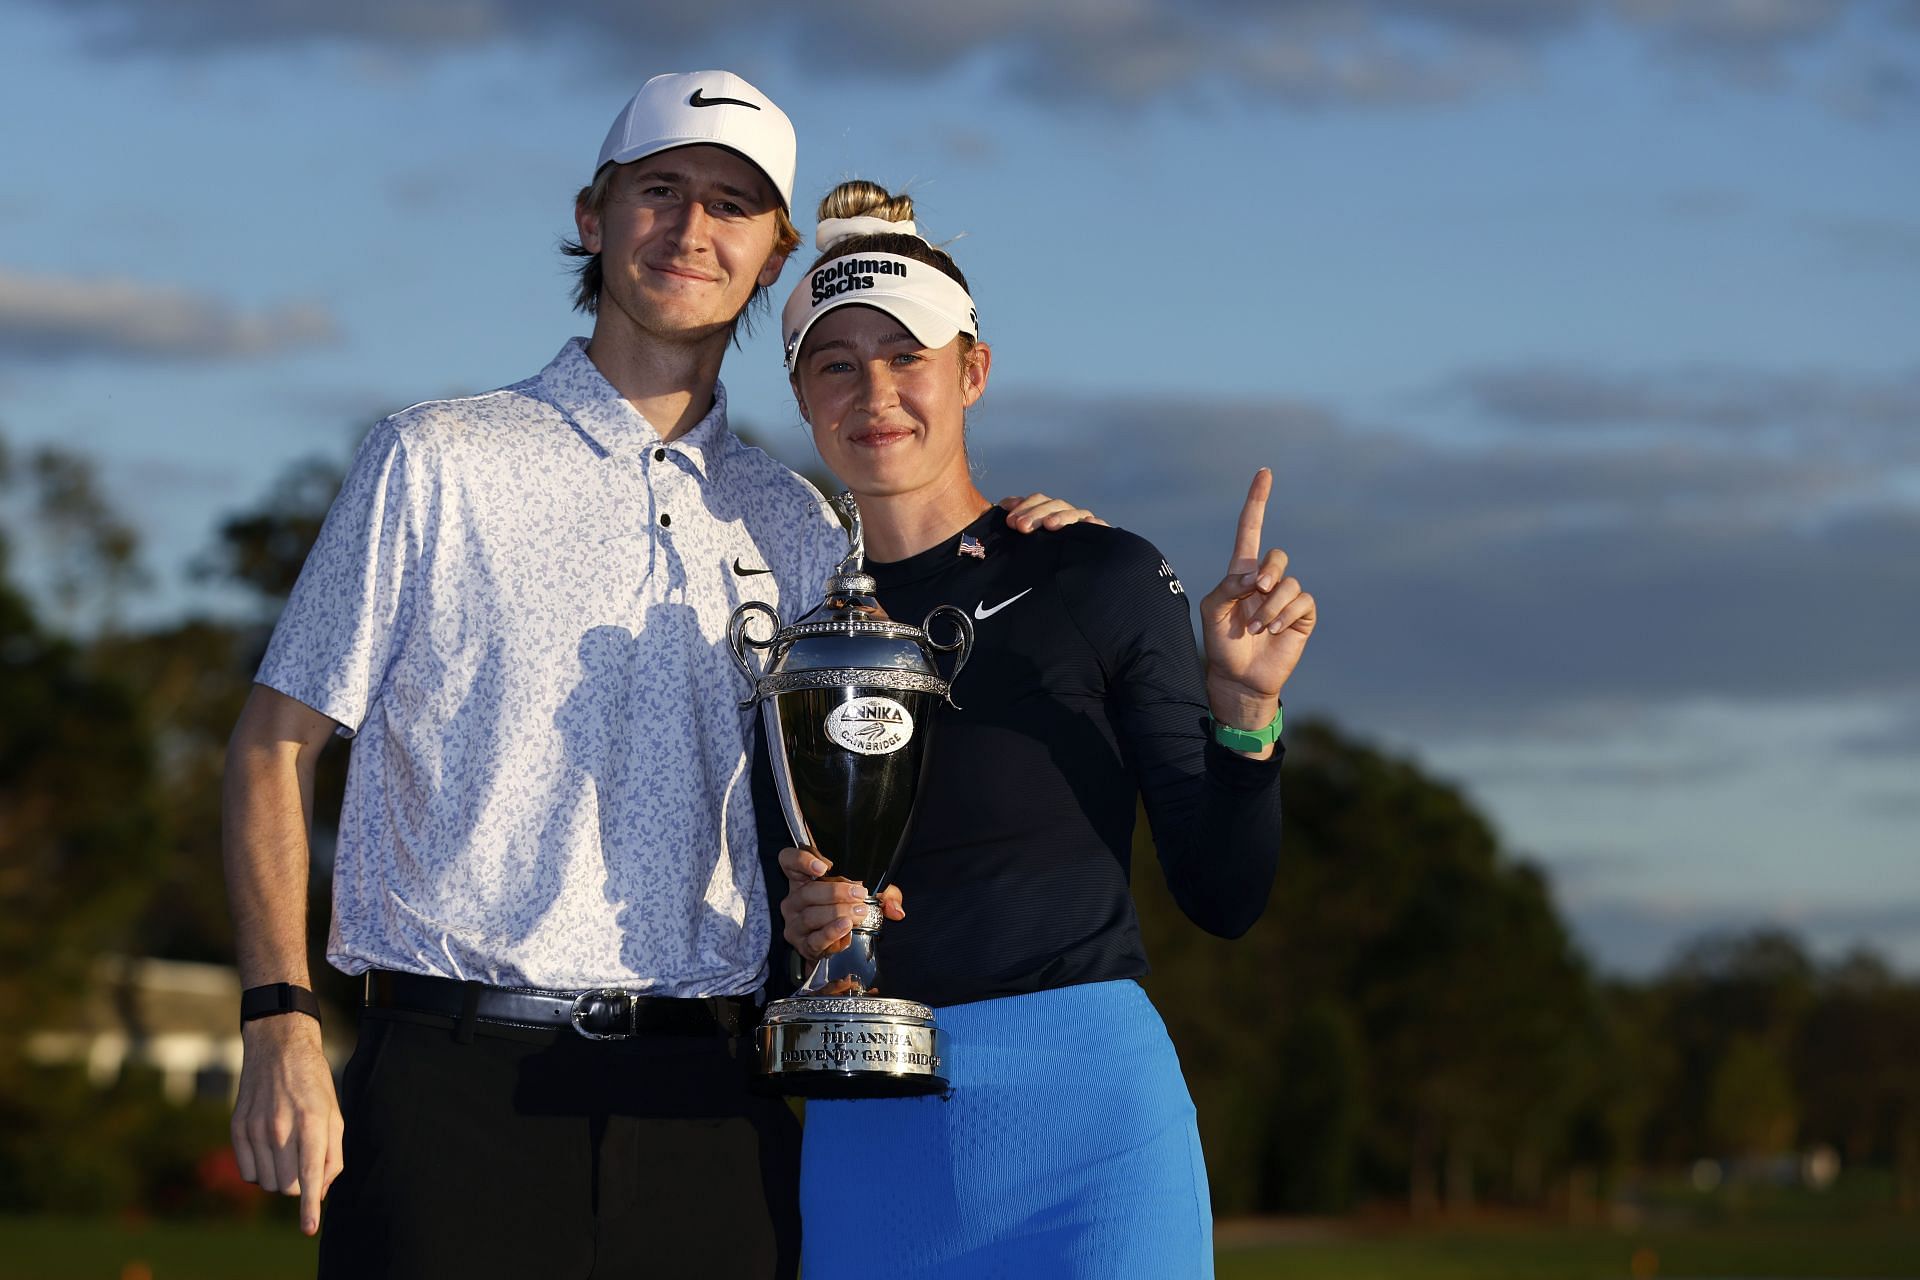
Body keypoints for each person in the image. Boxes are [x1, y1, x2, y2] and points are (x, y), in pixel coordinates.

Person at [222, 75, 1092, 1279]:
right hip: (452, 1085)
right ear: (594, 215)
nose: (693, 229)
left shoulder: (799, 526)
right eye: (662, 191)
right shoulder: (434, 458)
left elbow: (868, 757)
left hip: (712, 1102)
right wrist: (279, 1017)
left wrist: (1057, 550)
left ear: (771, 254)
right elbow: (273, 744)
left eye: (733, 205)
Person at [771, 181, 1316, 1278]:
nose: (875, 391)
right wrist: (800, 921)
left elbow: (1224, 893)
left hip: (1091, 1132)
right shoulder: (781, 627)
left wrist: (1247, 714)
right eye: (837, 362)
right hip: (872, 1139)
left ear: (972, 370)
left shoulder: (1095, 574)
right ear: (801, 394)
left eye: (906, 355)